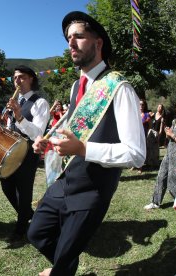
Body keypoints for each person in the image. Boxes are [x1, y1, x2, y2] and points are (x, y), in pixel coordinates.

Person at [27, 11, 146, 275]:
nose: (70, 43)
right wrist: (50, 142)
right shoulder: (75, 87)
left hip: (93, 190)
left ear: (98, 43)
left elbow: (137, 154)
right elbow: (73, 131)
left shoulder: (120, 87)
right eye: (69, 38)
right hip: (66, 179)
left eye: (78, 36)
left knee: (64, 259)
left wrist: (84, 150)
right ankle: (64, 264)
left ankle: (62, 267)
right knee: (36, 233)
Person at [2, 65, 50, 244]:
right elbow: (10, 126)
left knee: (24, 191)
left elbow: (38, 133)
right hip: (11, 151)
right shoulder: (15, 101)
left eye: (21, 77)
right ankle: (28, 214)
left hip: (29, 153)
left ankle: (20, 230)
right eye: (15, 78)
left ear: (31, 79)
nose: (17, 81)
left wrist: (19, 115)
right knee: (6, 185)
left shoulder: (40, 103)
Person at [144, 99, 176, 210]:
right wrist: (168, 133)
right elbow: (171, 137)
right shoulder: (174, 121)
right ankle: (155, 202)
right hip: (169, 152)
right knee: (161, 176)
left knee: (173, 180)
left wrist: (172, 134)